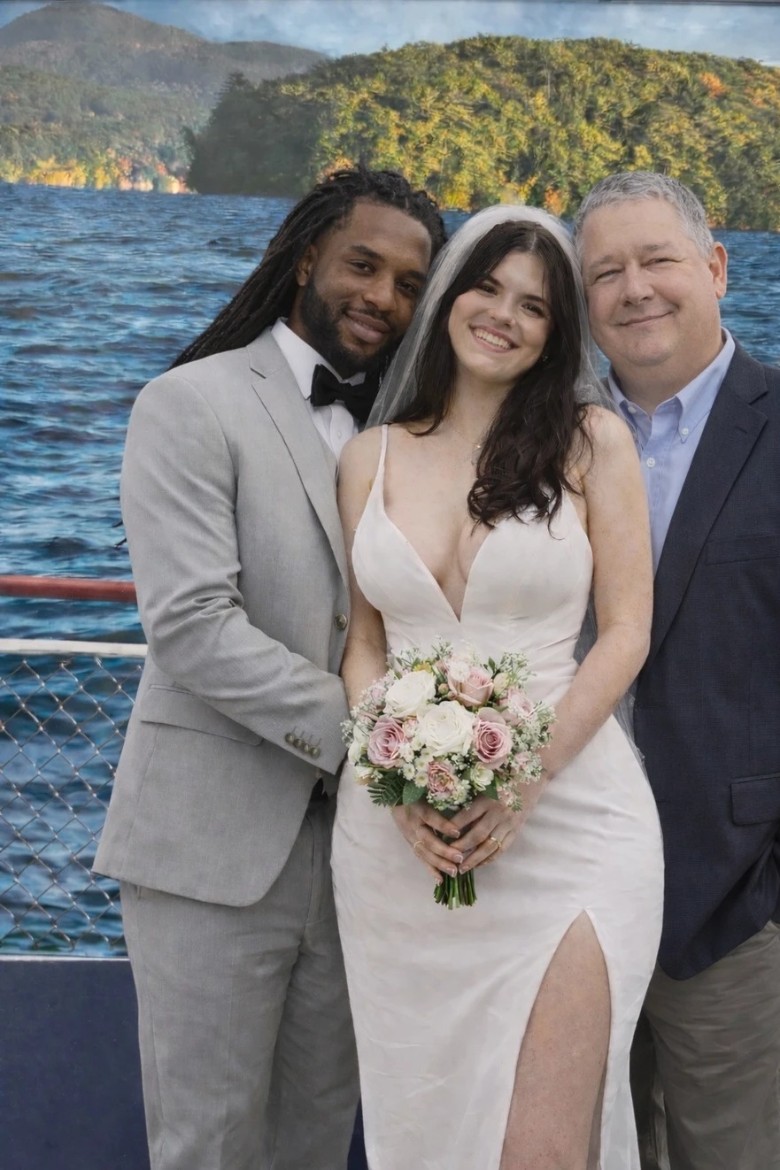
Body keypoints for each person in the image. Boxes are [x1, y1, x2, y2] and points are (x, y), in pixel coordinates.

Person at [93, 165, 445, 1170]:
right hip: (211, 852)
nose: (382, 296)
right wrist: (386, 740)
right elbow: (194, 625)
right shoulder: (189, 401)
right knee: (207, 1147)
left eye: (409, 283)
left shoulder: (408, 436)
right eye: (362, 265)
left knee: (315, 1145)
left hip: (359, 864)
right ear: (305, 262)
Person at [331, 204, 664, 1170]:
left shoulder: (592, 441)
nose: (503, 315)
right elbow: (363, 647)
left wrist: (524, 778)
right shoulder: (369, 457)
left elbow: (629, 631)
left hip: (572, 823)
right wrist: (391, 788)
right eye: (487, 287)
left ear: (557, 334)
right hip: (403, 843)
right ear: (449, 295)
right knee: (428, 1136)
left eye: (535, 306)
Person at [574, 171, 780, 1170]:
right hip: (567, 895)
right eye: (605, 272)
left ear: (716, 268)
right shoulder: (546, 441)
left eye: (657, 259)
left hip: (741, 905)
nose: (635, 288)